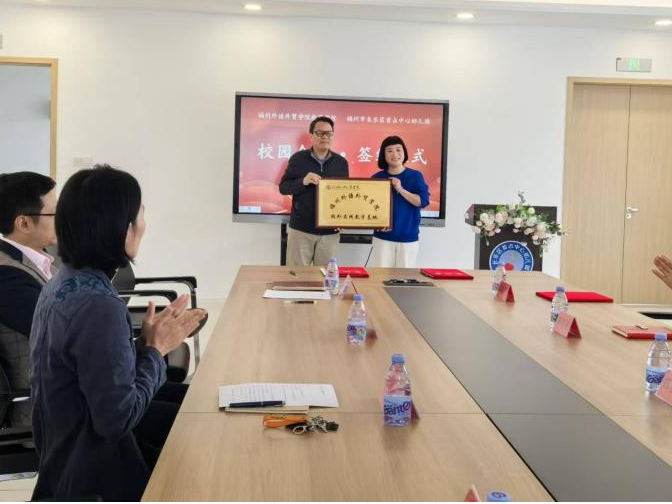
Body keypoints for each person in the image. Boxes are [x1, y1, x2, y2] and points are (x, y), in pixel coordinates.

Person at [30, 165, 206, 502]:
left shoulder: (64, 281)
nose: (144, 224)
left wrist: (143, 344)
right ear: (124, 229)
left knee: (200, 408)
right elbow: (117, 419)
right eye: (140, 214)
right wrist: (156, 351)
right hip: (97, 478)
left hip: (63, 463)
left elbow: (93, 372)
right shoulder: (99, 304)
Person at [0, 172, 58, 427]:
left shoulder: (42, 262)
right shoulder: (7, 276)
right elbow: (64, 335)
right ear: (23, 223)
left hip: (73, 393)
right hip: (45, 410)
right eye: (54, 213)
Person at [280, 116, 349, 267]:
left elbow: (344, 195)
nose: (325, 137)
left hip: (329, 231)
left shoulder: (341, 163)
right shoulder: (298, 159)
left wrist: (342, 219)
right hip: (301, 230)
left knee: (325, 277)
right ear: (311, 136)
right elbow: (283, 187)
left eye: (328, 133)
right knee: (296, 276)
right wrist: (303, 181)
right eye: (319, 133)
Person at [370, 136, 430, 268]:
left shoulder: (415, 176)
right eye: (389, 151)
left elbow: (422, 202)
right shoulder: (377, 178)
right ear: (383, 155)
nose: (395, 154)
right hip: (382, 238)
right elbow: (369, 207)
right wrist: (375, 223)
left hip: (408, 238)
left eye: (398, 150)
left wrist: (400, 189)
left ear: (404, 152)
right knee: (381, 277)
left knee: (405, 278)